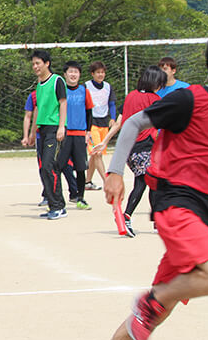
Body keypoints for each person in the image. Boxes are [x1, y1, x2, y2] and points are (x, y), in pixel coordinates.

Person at [71, 31, 208, 340]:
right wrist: (116, 172)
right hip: (176, 205)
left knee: (154, 315)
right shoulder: (190, 99)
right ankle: (154, 300)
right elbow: (136, 123)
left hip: (205, 215)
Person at [96, 66, 167, 236]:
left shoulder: (130, 96)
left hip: (129, 148)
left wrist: (106, 141)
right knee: (142, 182)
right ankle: (126, 215)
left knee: (152, 183)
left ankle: (157, 221)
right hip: (144, 147)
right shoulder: (154, 99)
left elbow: (121, 122)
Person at [30, 49, 68, 220]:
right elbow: (37, 109)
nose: (35, 66)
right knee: (43, 169)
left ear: (47, 63)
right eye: (33, 64)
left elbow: (63, 103)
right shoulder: (39, 84)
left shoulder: (57, 80)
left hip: (54, 128)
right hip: (42, 130)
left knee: (49, 166)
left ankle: (58, 206)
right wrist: (32, 132)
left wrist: (62, 126)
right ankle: (55, 205)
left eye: (38, 63)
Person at [62, 61, 94, 211]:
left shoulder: (84, 91)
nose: (73, 74)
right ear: (65, 74)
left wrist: (88, 131)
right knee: (58, 165)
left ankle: (80, 198)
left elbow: (89, 112)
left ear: (79, 75)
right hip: (64, 133)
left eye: (76, 72)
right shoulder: (61, 90)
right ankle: (55, 198)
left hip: (80, 134)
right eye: (70, 71)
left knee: (81, 168)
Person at [84, 61, 117, 192]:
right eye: (98, 72)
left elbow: (112, 103)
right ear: (93, 74)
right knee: (97, 153)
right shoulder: (86, 86)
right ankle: (106, 181)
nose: (101, 74)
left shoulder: (108, 87)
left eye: (102, 72)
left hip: (104, 122)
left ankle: (87, 182)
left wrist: (113, 118)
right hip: (91, 123)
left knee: (95, 154)